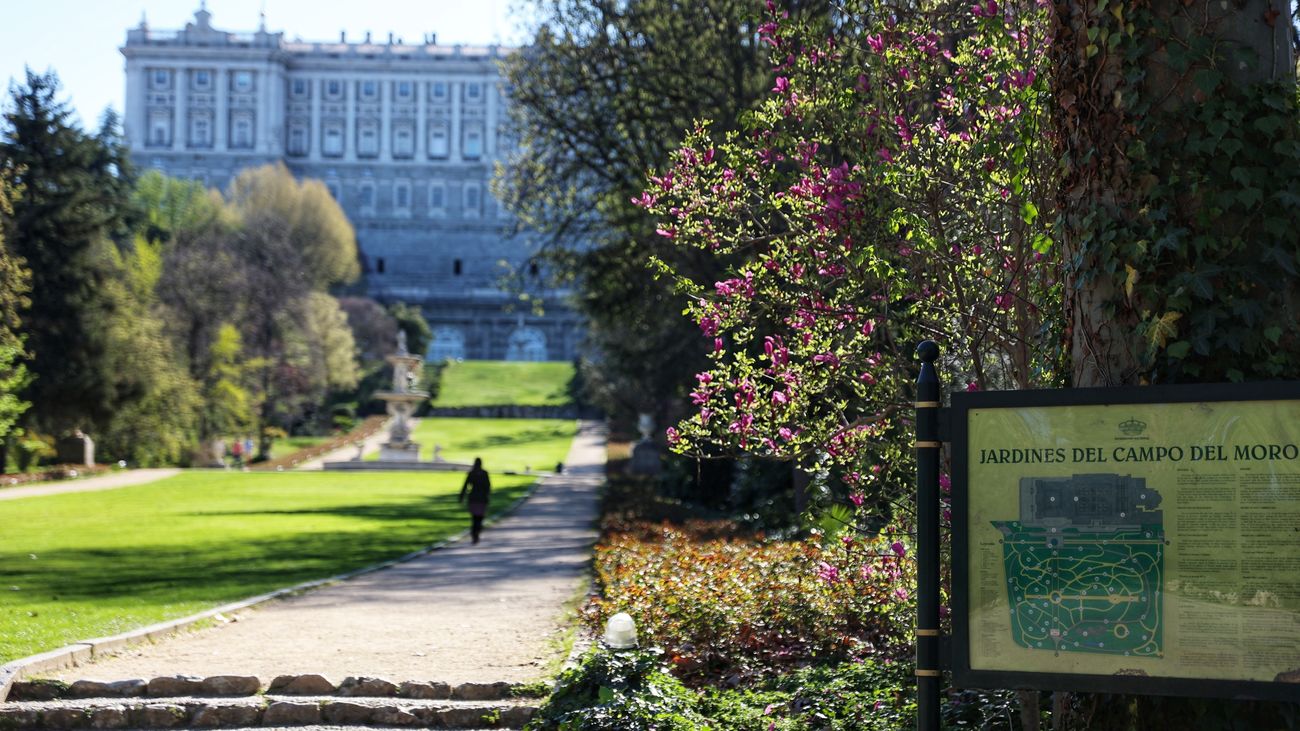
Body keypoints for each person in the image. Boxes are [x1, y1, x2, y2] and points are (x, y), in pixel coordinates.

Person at [459, 457, 491, 545]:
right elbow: (488, 487)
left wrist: (461, 497)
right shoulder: (484, 473)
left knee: (474, 518)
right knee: (480, 518)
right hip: (482, 499)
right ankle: (476, 532)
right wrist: (488, 497)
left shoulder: (471, 473)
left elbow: (465, 486)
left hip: (473, 498)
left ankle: (474, 534)